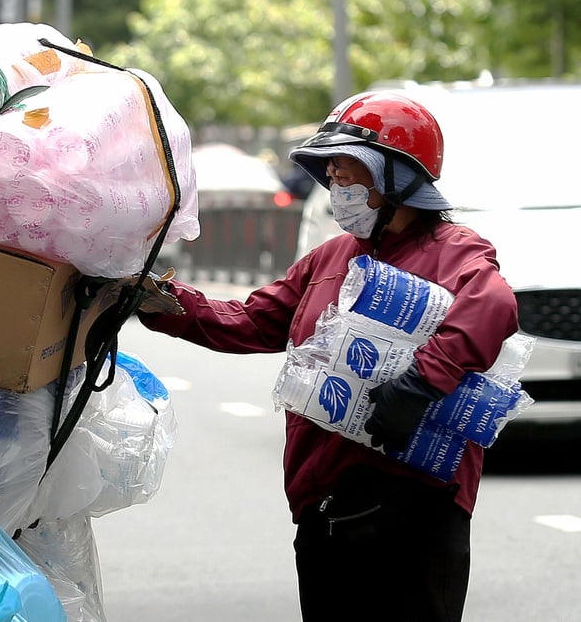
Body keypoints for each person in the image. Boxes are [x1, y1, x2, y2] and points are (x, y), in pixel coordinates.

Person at [136, 91, 518, 622]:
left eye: (349, 175)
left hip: (413, 508)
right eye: (332, 176)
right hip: (322, 501)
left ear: (397, 176)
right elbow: (251, 320)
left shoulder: (454, 252)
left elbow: (494, 305)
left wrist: (422, 382)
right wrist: (155, 299)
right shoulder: (331, 257)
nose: (337, 189)